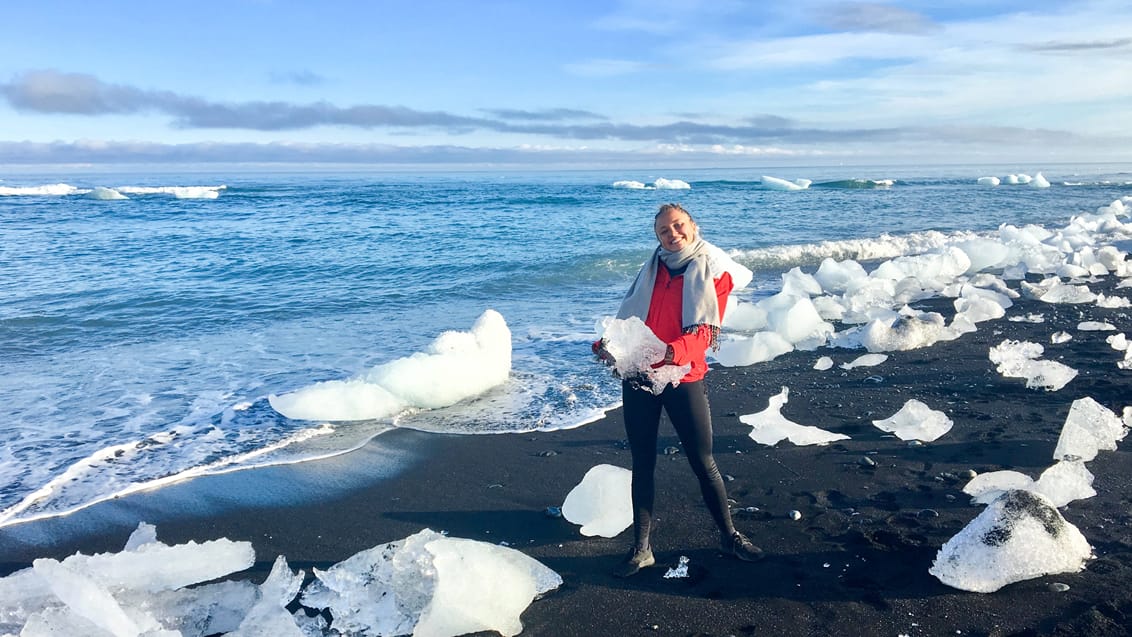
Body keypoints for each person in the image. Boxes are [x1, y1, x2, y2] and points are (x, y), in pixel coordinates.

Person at [594, 202, 763, 578]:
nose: (673, 235)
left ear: (692, 225)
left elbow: (705, 332)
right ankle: (642, 548)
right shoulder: (650, 269)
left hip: (683, 377)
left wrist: (673, 353)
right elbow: (631, 321)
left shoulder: (713, 272)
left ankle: (729, 535)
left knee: (704, 462)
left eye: (678, 226)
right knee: (643, 463)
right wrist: (608, 345)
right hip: (639, 375)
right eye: (664, 231)